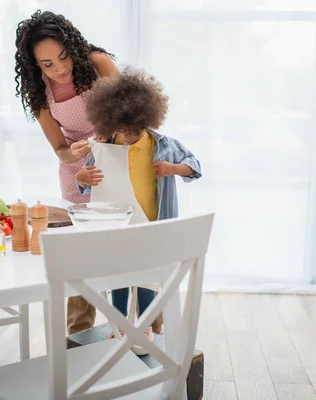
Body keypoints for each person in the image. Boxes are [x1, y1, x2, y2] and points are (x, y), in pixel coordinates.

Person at [75, 66, 202, 351]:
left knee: (147, 280)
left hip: (152, 225)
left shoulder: (164, 145)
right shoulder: (105, 146)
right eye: (121, 129)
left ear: (145, 119)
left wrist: (173, 168)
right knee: (118, 276)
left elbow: (195, 167)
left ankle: (143, 327)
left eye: (133, 129)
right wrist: (81, 178)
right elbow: (84, 179)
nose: (127, 135)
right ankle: (118, 326)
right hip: (115, 226)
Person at [14, 10, 119, 335]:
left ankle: (141, 328)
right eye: (47, 64)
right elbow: (59, 148)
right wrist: (69, 153)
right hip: (76, 168)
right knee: (80, 253)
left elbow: (130, 115)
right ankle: (78, 335)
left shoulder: (98, 63)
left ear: (72, 47)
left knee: (123, 246)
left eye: (63, 58)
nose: (59, 69)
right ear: (35, 65)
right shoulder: (39, 93)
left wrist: (102, 141)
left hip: (115, 156)